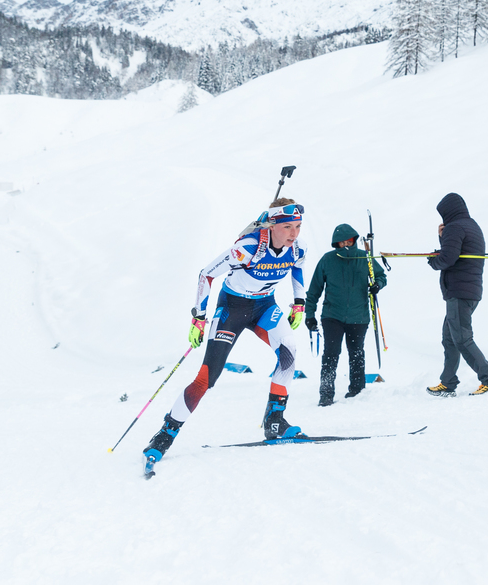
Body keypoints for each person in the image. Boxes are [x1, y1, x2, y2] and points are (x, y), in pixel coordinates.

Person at [143, 198, 308, 469]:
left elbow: (298, 271)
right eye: (288, 226)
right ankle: (165, 435)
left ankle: (275, 420)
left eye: (298, 227)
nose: (294, 233)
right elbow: (206, 275)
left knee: (289, 351)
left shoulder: (297, 249)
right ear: (272, 225)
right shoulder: (248, 248)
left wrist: (299, 302)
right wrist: (199, 317)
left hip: (265, 306)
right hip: (232, 309)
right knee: (207, 377)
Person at [424, 193, 488, 397]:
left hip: (459, 291)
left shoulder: (455, 227)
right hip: (469, 290)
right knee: (450, 338)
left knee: (462, 339)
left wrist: (433, 261)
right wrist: (443, 238)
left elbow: (448, 258)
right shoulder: (471, 225)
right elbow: (454, 251)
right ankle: (448, 382)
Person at [304, 223, 386, 405]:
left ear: (354, 240)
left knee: (356, 353)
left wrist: (377, 285)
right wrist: (309, 314)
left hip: (359, 316)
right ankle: (326, 395)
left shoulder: (366, 258)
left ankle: (357, 391)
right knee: (331, 354)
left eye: (349, 241)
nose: (346, 245)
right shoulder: (328, 260)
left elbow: (381, 276)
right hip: (332, 315)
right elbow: (314, 289)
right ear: (336, 244)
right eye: (341, 243)